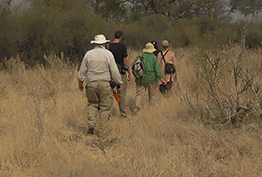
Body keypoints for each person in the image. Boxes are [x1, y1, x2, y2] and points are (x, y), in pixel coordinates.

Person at [78, 34, 123, 135]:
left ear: (95, 44)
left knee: (92, 104)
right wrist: (119, 83)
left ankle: (91, 125)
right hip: (105, 84)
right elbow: (114, 72)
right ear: (105, 43)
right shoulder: (108, 54)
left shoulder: (88, 54)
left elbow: (82, 71)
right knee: (105, 107)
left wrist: (80, 82)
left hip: (91, 84)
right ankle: (102, 130)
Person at [132, 42, 167, 113]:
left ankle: (137, 107)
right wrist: (161, 78)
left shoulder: (140, 56)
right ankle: (151, 110)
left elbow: (133, 65)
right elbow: (157, 70)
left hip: (140, 79)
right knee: (152, 96)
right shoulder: (154, 58)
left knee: (139, 94)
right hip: (152, 79)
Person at [107, 30, 131, 118]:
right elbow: (125, 60)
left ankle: (108, 113)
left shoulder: (109, 46)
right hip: (121, 72)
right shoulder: (122, 46)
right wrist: (129, 72)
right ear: (121, 38)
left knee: (110, 94)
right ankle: (123, 113)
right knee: (122, 94)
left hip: (111, 73)